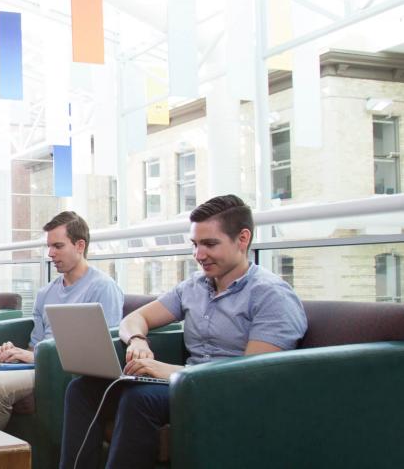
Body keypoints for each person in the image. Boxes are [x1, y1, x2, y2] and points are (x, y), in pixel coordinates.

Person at [59, 195, 308, 469]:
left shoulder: (271, 295)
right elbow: (135, 318)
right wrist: (138, 340)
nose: (199, 255)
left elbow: (250, 375)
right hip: (185, 383)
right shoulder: (195, 286)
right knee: (81, 389)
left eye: (210, 244)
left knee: (138, 399)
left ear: (243, 239)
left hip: (228, 392)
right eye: (195, 244)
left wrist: (171, 372)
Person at [0, 211, 123, 429]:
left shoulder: (103, 288)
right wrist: (14, 353)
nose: (50, 253)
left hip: (61, 372)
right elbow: (35, 345)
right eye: (49, 246)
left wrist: (33, 356)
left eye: (58, 246)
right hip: (35, 365)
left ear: (80, 246)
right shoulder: (45, 293)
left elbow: (102, 357)